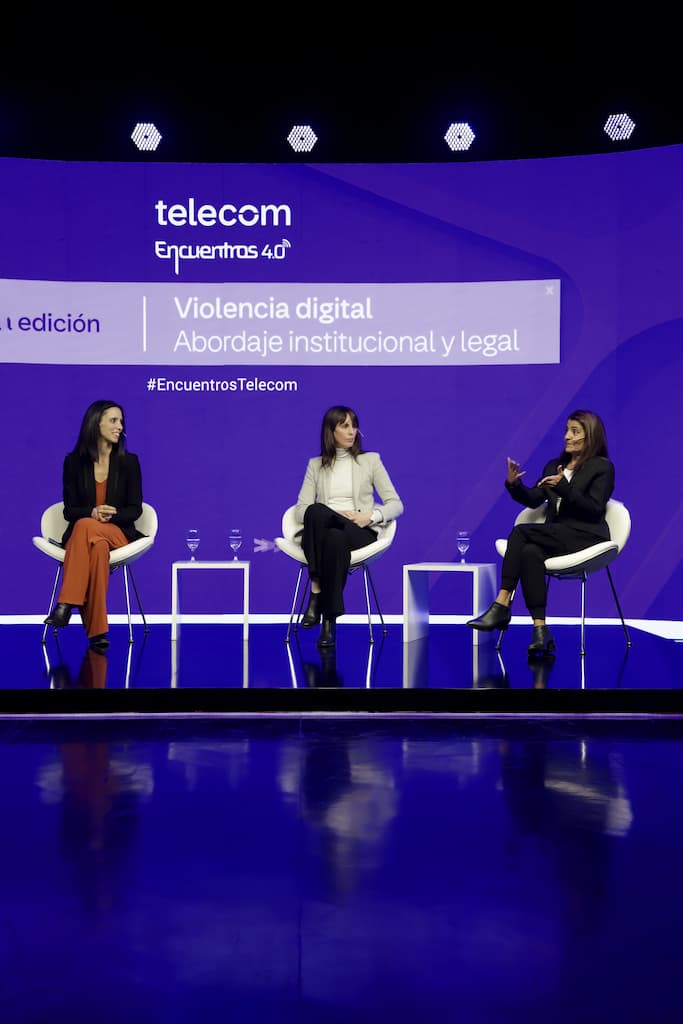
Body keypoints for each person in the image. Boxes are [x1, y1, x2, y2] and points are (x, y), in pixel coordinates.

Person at [467, 410, 614, 655]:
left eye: (575, 432)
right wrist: (514, 485)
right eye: (566, 430)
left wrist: (564, 487)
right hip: (558, 535)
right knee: (530, 553)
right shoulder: (554, 466)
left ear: (590, 436)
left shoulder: (602, 468)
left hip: (587, 537)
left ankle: (501, 603)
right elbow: (534, 499)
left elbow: (594, 509)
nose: (567, 436)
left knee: (520, 532)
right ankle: (540, 631)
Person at [293, 405, 403, 648]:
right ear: (330, 431)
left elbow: (396, 504)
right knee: (329, 530)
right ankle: (328, 623)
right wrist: (331, 514)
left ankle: (316, 591)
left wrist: (371, 517)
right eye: (345, 426)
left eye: (354, 425)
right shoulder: (315, 465)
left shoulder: (370, 461)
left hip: (359, 531)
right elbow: (301, 511)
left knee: (323, 518)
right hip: (327, 535)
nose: (352, 431)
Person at [44, 400, 145, 650]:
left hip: (119, 534)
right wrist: (92, 512)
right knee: (96, 546)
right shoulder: (73, 463)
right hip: (89, 539)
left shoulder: (129, 462)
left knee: (85, 527)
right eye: (113, 420)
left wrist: (112, 514)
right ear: (95, 423)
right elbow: (69, 510)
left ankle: (66, 603)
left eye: (121, 421)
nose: (120, 426)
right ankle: (98, 633)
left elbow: (135, 509)